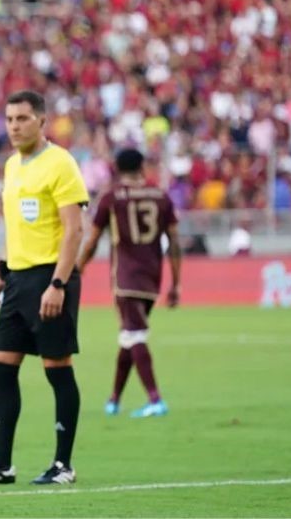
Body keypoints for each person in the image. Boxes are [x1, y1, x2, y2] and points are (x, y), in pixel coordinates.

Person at [0, 90, 89, 486]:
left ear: (42, 122)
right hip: (17, 280)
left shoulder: (61, 163)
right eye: (10, 119)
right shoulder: (12, 165)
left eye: (23, 118)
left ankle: (63, 465)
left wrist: (59, 284)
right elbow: (16, 230)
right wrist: (0, 272)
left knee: (57, 370)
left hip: (51, 279)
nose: (14, 126)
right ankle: (1, 465)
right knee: (0, 367)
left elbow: (74, 230)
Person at [77, 148, 181, 419]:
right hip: (152, 277)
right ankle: (114, 400)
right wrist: (176, 283)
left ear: (117, 169)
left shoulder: (112, 198)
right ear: (142, 167)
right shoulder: (161, 196)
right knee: (128, 337)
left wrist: (79, 267)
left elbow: (93, 239)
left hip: (125, 277)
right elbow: (175, 244)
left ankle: (155, 399)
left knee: (134, 336)